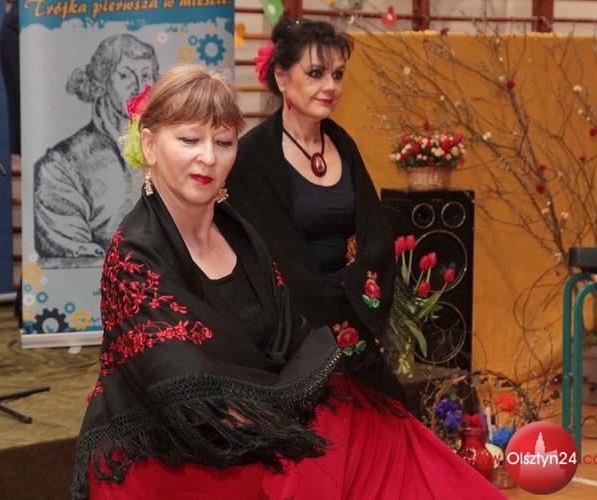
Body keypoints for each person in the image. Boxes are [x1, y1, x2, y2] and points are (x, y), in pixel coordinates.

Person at [72, 65, 506, 499]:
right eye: (189, 140)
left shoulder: (240, 235)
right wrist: (281, 415)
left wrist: (296, 401)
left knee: (378, 427)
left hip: (255, 425)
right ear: (150, 144)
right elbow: (184, 386)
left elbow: (290, 337)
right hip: (171, 458)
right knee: (334, 447)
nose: (208, 157)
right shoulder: (134, 253)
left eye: (223, 142)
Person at [229, 18, 405, 408]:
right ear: (281, 77)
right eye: (315, 73)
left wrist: (356, 292)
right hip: (290, 333)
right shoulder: (252, 157)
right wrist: (332, 310)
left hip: (350, 313)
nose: (331, 86)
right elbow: (265, 258)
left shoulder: (343, 145)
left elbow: (376, 236)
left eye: (337, 75)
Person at [34, 34, 159, 262]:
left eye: (146, 76)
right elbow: (72, 254)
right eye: (125, 75)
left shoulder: (174, 151)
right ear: (102, 81)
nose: (140, 87)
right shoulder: (61, 164)